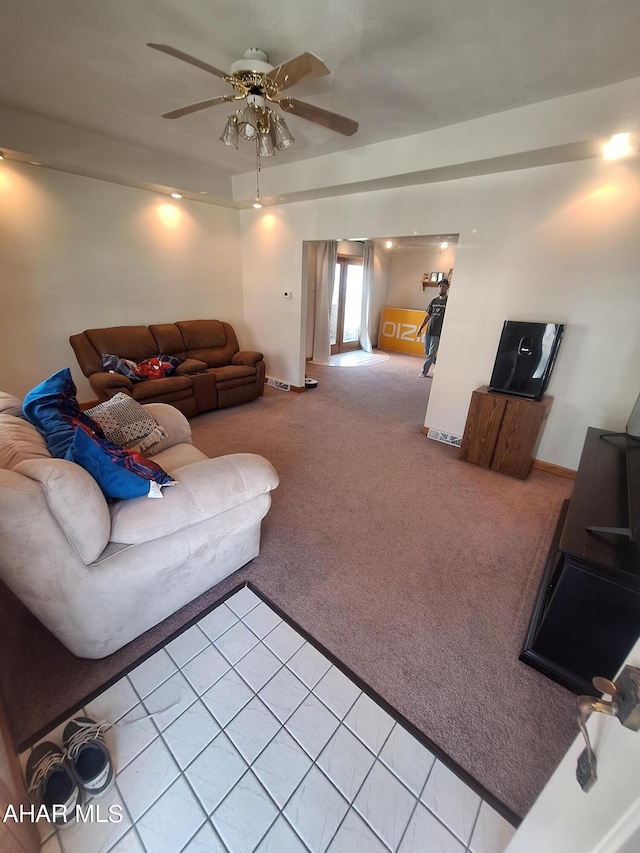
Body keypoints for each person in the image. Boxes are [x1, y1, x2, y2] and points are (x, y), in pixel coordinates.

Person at [418, 280, 449, 377]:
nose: (441, 288)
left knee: (431, 353)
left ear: (447, 287)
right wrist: (420, 328)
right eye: (440, 286)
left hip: (438, 332)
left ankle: (424, 371)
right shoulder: (434, 301)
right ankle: (439, 365)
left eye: (443, 286)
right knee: (427, 352)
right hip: (429, 331)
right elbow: (427, 316)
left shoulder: (448, 302)